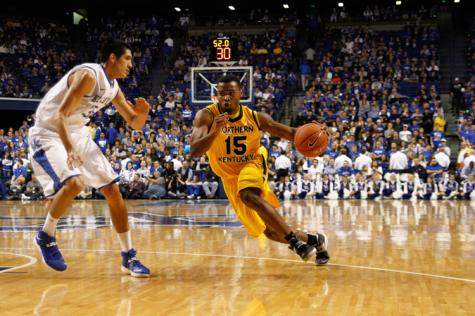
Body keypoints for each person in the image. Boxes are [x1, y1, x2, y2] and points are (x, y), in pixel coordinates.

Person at [28, 39, 150, 277]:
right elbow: (60, 115)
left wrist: (143, 114)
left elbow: (134, 123)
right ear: (112, 58)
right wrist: (69, 149)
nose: (131, 65)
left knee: (113, 190)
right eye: (127, 58)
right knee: (75, 183)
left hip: (77, 132)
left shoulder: (113, 87)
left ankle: (128, 256)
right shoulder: (89, 75)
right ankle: (46, 235)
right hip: (50, 131)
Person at [190, 75, 329, 264]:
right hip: (230, 178)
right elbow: (195, 151)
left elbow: (288, 132)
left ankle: (295, 243)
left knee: (248, 194)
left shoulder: (254, 117)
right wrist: (215, 131)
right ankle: (314, 240)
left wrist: (315, 132)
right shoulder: (206, 116)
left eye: (230, 93)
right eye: (221, 93)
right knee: (269, 231)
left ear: (241, 94)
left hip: (252, 162)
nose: (226, 97)